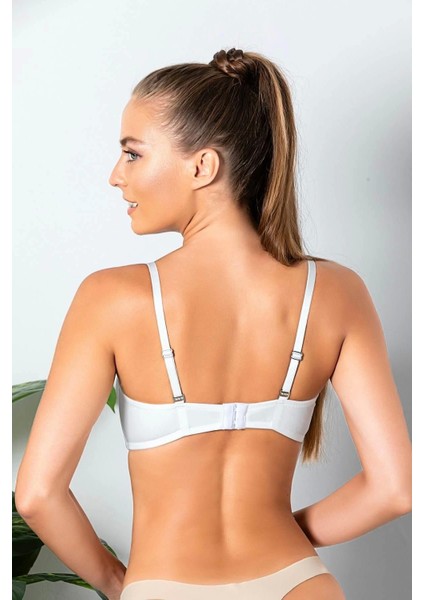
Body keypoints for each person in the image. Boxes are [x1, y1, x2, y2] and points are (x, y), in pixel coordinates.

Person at [14, 48, 412, 600]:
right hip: (300, 585)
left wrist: (118, 584)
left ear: (202, 166)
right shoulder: (338, 292)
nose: (115, 176)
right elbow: (393, 489)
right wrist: (279, 540)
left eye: (132, 154)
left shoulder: (111, 298)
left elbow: (38, 493)